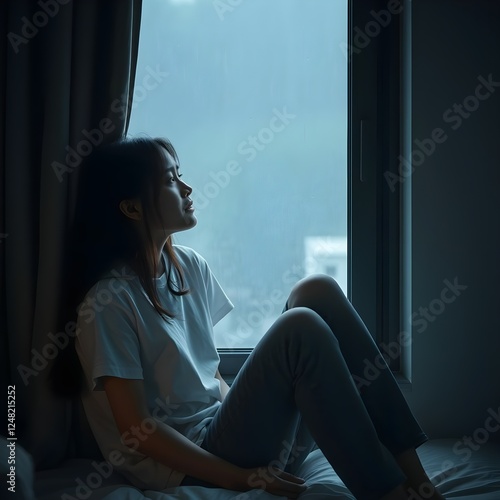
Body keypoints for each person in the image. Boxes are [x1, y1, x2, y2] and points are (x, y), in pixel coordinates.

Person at [71, 136, 445, 500]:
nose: (187, 188)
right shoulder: (109, 302)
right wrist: (240, 478)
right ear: (132, 209)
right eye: (170, 180)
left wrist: (260, 417)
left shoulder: (187, 266)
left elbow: (211, 374)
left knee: (316, 290)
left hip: (230, 439)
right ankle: (391, 495)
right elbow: (138, 430)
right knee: (299, 327)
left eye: (180, 174)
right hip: (194, 461)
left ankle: (418, 481)